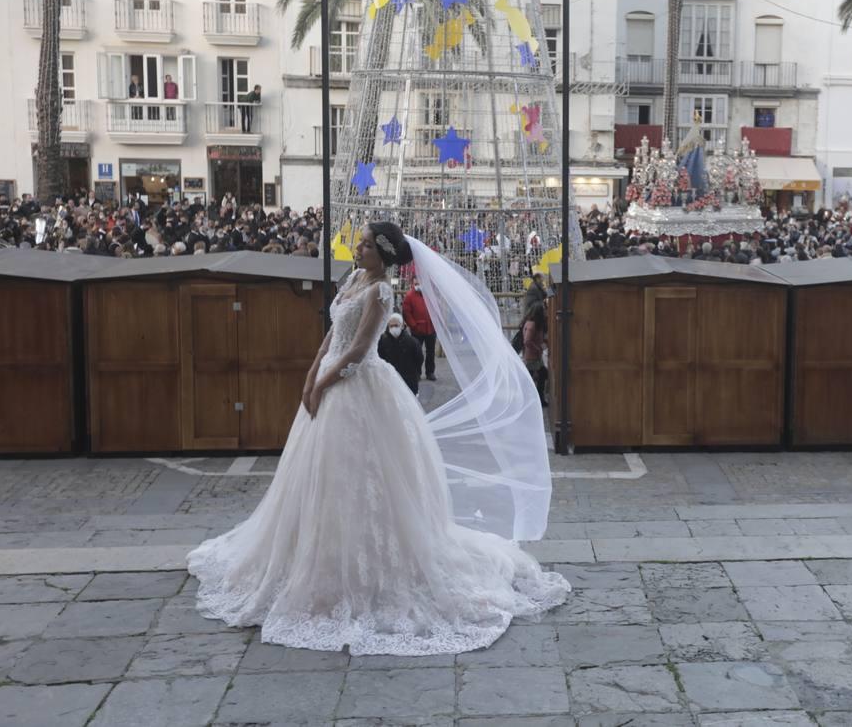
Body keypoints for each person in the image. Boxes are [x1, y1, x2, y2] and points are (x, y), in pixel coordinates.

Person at [186, 222, 568, 654]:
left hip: (358, 386)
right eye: (360, 242)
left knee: (365, 475)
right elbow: (331, 337)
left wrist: (323, 382)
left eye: (366, 244)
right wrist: (311, 375)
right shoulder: (352, 279)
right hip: (330, 383)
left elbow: (357, 349)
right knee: (316, 476)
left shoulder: (382, 292)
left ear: (382, 254)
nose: (358, 248)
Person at [378, 311, 423, 394]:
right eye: (391, 326)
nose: (394, 328)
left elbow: (419, 359)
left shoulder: (412, 342)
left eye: (396, 325)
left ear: (402, 326)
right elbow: (381, 357)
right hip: (390, 378)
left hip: (409, 378)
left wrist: (417, 374)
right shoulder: (383, 341)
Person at [403, 281, 437, 381]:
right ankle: (416, 372)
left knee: (431, 352)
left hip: (430, 328)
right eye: (416, 280)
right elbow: (406, 312)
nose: (419, 282)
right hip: (417, 329)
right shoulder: (410, 296)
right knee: (416, 352)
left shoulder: (430, 294)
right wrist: (413, 326)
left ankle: (430, 372)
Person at [521, 303, 548, 406]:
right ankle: (536, 400)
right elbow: (527, 341)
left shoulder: (533, 323)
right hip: (532, 357)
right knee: (539, 375)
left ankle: (534, 399)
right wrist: (538, 349)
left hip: (534, 356)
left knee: (539, 375)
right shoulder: (532, 325)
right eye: (544, 310)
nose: (545, 312)